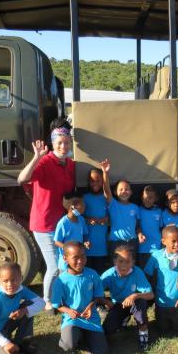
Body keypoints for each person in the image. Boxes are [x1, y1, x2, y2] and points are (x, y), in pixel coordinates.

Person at [17, 126, 75, 313]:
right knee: (55, 266)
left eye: (66, 142)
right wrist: (36, 157)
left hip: (62, 224)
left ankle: (61, 296)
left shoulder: (71, 164)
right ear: (52, 144)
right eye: (59, 143)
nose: (63, 146)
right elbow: (22, 178)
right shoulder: (45, 162)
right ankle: (47, 301)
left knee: (63, 263)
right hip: (44, 224)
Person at [51, 241, 108, 354]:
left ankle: (84, 336)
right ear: (65, 258)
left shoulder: (92, 274)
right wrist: (68, 311)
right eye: (75, 258)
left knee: (101, 352)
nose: (80, 260)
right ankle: (73, 334)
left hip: (90, 317)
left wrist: (92, 305)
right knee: (68, 346)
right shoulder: (61, 280)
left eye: (83, 256)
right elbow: (56, 304)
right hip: (72, 318)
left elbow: (98, 296)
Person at [101, 245, 153, 351]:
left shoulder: (137, 272)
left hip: (134, 302)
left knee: (141, 304)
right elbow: (96, 292)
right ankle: (125, 317)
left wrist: (135, 295)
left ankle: (143, 333)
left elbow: (151, 294)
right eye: (121, 261)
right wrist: (105, 301)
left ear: (133, 262)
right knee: (107, 329)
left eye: (128, 261)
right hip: (118, 304)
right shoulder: (108, 274)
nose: (124, 265)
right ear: (115, 261)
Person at [144, 225, 178, 335]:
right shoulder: (156, 256)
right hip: (162, 302)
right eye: (173, 241)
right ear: (163, 241)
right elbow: (147, 275)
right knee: (162, 329)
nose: (177, 244)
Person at [100, 158, 144, 257]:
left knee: (131, 268)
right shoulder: (113, 204)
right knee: (117, 269)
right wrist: (105, 173)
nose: (124, 191)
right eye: (121, 189)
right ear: (115, 192)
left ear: (131, 192)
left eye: (127, 189)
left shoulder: (135, 207)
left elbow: (137, 226)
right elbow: (106, 190)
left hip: (132, 242)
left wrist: (140, 234)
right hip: (116, 243)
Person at [53, 190, 89, 271]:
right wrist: (67, 248)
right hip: (66, 263)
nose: (84, 205)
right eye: (82, 204)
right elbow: (57, 241)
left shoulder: (81, 219)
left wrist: (86, 242)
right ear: (72, 207)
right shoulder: (63, 223)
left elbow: (85, 234)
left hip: (78, 261)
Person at [84, 168, 109, 274]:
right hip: (88, 245)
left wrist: (107, 218)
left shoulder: (106, 197)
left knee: (99, 273)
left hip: (102, 245)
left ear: (102, 181)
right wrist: (87, 219)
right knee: (88, 272)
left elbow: (113, 214)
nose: (95, 183)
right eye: (92, 181)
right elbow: (79, 216)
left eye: (98, 180)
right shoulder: (85, 197)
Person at [137, 186, 162, 269]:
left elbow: (161, 228)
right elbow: (136, 226)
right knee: (143, 272)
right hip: (142, 248)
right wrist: (140, 234)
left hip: (156, 248)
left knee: (155, 273)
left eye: (150, 198)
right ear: (141, 197)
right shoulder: (138, 210)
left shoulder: (159, 211)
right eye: (145, 197)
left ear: (156, 199)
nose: (147, 200)